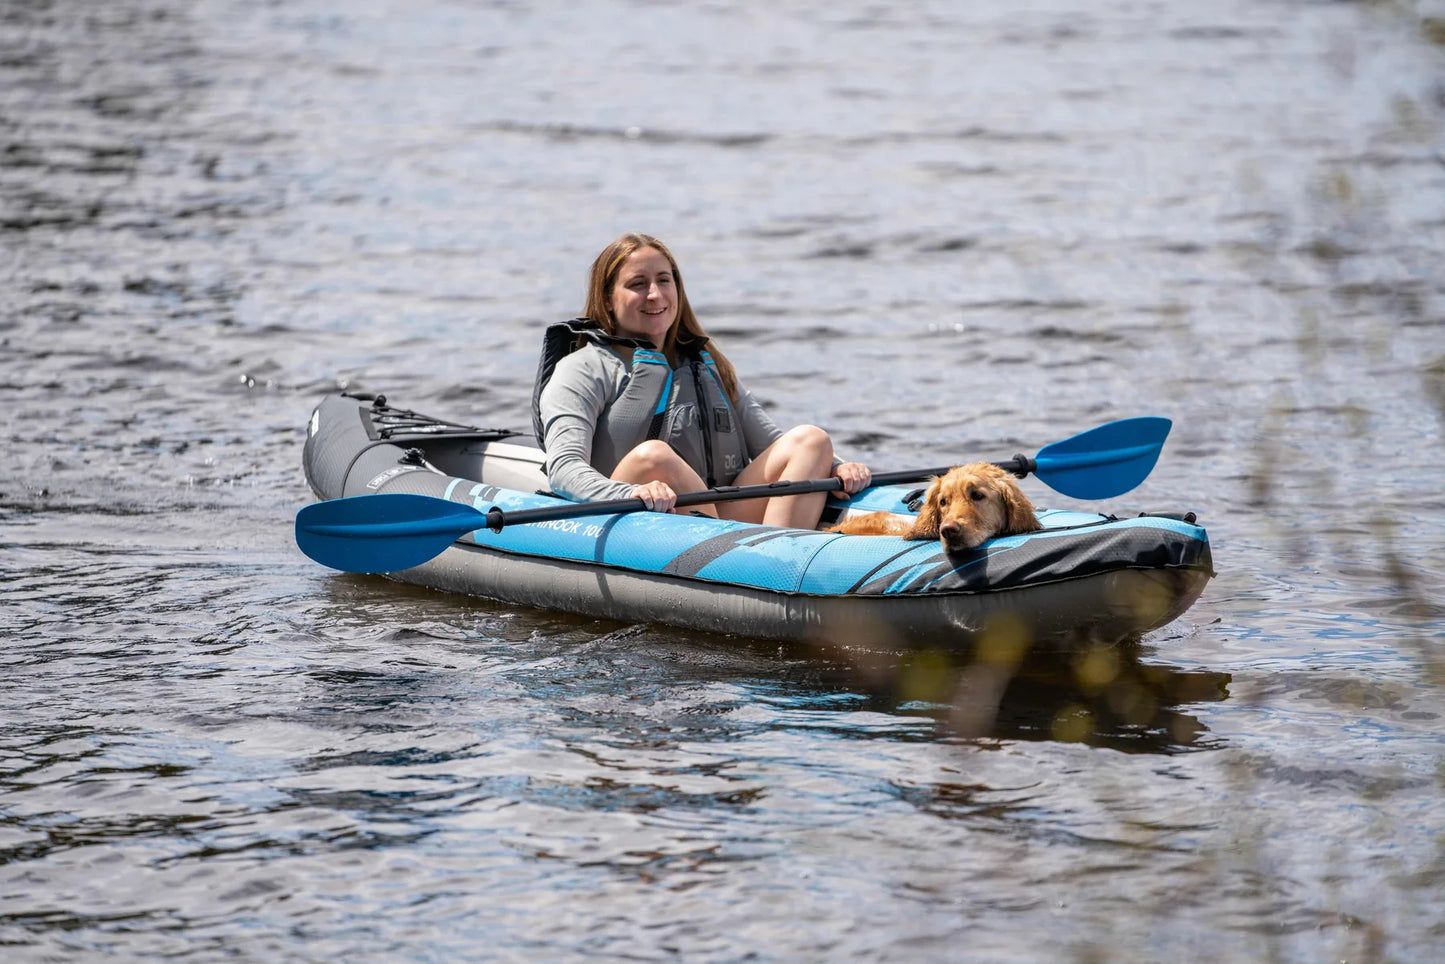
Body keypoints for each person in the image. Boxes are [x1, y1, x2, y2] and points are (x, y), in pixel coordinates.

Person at [534, 232, 871, 529]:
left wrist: (839, 468)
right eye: (638, 284)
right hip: (627, 514)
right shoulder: (582, 370)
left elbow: (771, 442)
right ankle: (742, 566)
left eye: (664, 280)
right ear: (608, 298)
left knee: (811, 440)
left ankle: (780, 558)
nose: (655, 294)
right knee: (655, 457)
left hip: (712, 514)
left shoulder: (704, 362)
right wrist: (632, 491)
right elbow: (564, 469)